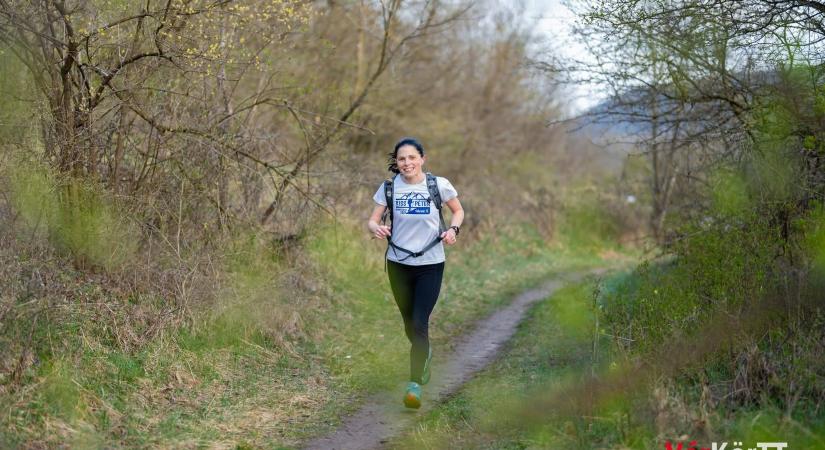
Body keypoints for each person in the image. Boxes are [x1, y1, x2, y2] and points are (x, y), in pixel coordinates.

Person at [367, 137, 464, 409]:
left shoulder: (438, 185)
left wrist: (453, 231)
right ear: (396, 163)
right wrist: (375, 228)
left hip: (431, 263)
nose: (406, 163)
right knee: (409, 324)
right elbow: (373, 219)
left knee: (420, 322)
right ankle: (425, 353)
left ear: (422, 159)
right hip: (398, 263)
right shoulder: (389, 188)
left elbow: (458, 211)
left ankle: (414, 385)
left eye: (411, 157)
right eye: (401, 159)